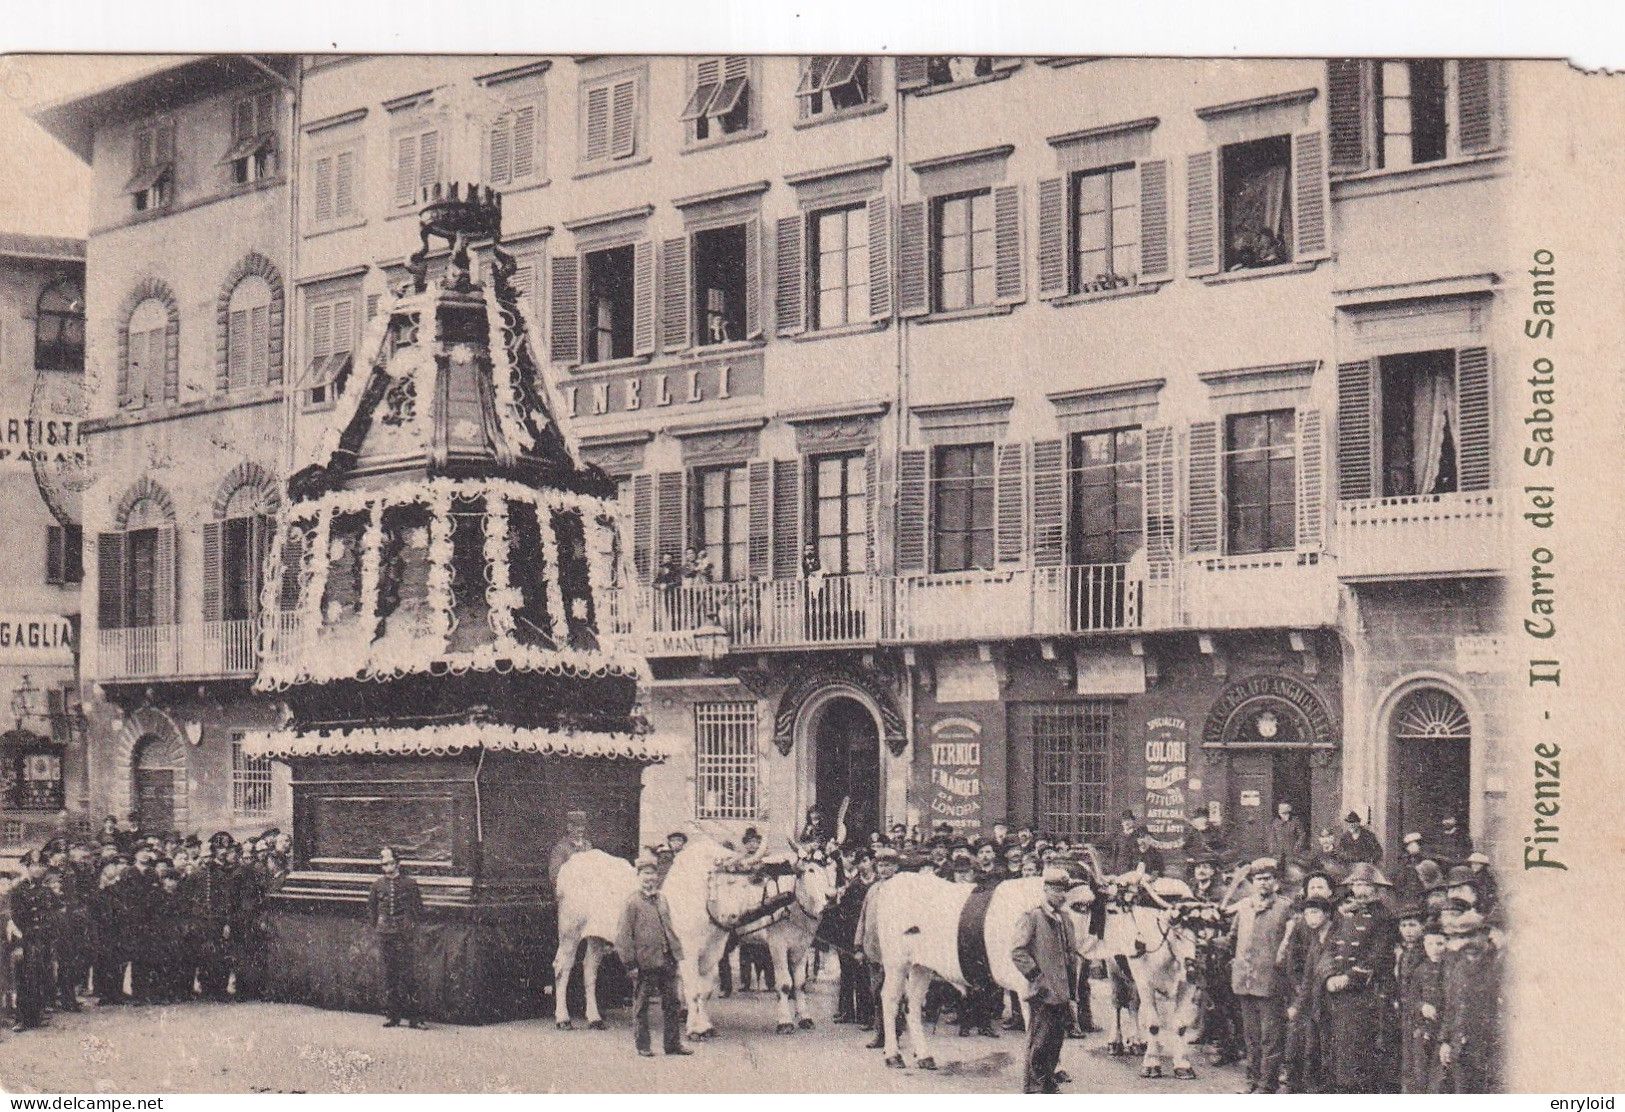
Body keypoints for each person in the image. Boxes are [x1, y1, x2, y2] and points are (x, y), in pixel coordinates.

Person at [1317, 861, 1398, 1093]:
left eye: (1365, 885)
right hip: (1338, 990)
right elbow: (1332, 948)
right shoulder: (1345, 915)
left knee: (1359, 1050)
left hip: (1365, 992)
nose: (1360, 891)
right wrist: (1330, 975)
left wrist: (1350, 978)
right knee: (1339, 1047)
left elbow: (1378, 956)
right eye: (1357, 884)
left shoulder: (1384, 917)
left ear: (1376, 888)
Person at [1010, 866, 1080, 1094]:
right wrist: (1037, 978)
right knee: (1039, 1042)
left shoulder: (1066, 918)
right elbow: (1018, 952)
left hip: (1062, 992)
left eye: (1064, 891)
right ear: (1046, 889)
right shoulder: (1033, 916)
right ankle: (1034, 1087)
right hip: (1042, 991)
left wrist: (1072, 991)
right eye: (1057, 890)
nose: (1062, 895)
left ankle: (1048, 1081)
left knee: (1055, 1042)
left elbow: (1070, 956)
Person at [1228, 857, 1293, 1093]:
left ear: (1275, 882)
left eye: (1267, 879)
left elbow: (1290, 945)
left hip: (1271, 982)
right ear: (1252, 882)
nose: (1263, 883)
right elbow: (1232, 938)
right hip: (1244, 980)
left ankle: (1268, 1084)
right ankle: (1252, 1081)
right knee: (1251, 1037)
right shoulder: (1244, 906)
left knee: (1271, 1037)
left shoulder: (1285, 908)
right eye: (1258, 879)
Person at [616, 856, 692, 1058]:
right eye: (645, 874)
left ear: (658, 877)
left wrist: (676, 953)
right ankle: (643, 1045)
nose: (650, 879)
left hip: (667, 959)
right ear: (638, 877)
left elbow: (668, 927)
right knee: (642, 1005)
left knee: (673, 1004)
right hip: (645, 962)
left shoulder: (663, 899)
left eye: (653, 874)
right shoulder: (632, 902)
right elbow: (623, 936)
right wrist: (630, 964)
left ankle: (673, 1044)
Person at [1436, 899, 1501, 1092]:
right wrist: (1446, 1040)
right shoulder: (1457, 966)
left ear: (1484, 934)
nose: (1466, 942)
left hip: (1489, 1048)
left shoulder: (1496, 965)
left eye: (1471, 935)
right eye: (1460, 936)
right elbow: (1452, 1005)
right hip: (1461, 1047)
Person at [1280, 894, 1335, 1093]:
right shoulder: (1315, 939)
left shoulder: (1334, 939)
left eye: (1315, 912)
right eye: (1307, 914)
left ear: (1327, 914)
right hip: (1314, 1006)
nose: (1310, 918)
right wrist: (1297, 1006)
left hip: (1330, 1004)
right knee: (1311, 1051)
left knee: (1327, 1053)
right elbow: (1307, 979)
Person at [368, 847, 426, 1029]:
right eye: (384, 864)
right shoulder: (377, 885)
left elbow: (418, 909)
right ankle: (393, 1016)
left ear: (397, 863)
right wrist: (378, 927)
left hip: (404, 934)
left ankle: (415, 1018)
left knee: (408, 975)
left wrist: (410, 927)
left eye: (390, 863)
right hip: (385, 934)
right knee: (389, 975)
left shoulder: (409, 883)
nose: (387, 867)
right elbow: (372, 909)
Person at [7, 852, 53, 1031]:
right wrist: (17, 945)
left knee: (40, 977)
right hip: (26, 941)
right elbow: (15, 921)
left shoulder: (45, 890)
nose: (38, 869)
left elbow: (52, 915)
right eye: (34, 865)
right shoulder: (19, 890)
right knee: (24, 979)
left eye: (41, 865)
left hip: (42, 940)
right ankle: (22, 1018)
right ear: (27, 867)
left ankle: (36, 1015)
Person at [1393, 906, 1433, 1093]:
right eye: (1404, 925)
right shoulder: (1405, 953)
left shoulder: (1427, 951)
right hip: (1406, 1014)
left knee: (1420, 1065)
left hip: (1422, 1015)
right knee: (1407, 1063)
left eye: (1413, 925)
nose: (1408, 930)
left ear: (1422, 927)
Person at [548, 810, 594, 888]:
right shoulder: (561, 848)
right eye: (576, 826)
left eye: (582, 826)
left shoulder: (588, 846)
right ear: (569, 827)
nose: (581, 829)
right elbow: (554, 875)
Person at [1266, 802, 1307, 872]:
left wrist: (1297, 846)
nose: (1284, 815)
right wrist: (1273, 850)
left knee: (1291, 869)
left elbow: (1302, 835)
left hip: (1292, 851)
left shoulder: (1295, 821)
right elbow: (1272, 838)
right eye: (1281, 812)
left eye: (1286, 813)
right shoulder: (1275, 823)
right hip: (1278, 852)